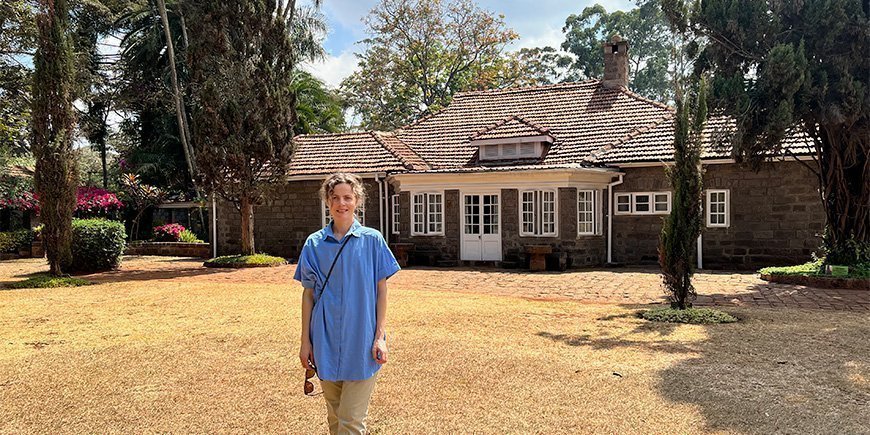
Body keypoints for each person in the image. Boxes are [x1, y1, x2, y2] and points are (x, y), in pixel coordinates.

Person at [295, 172, 400, 435]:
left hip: (361, 342)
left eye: (348, 198)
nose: (342, 203)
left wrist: (380, 337)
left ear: (357, 201)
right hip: (325, 341)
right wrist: (305, 342)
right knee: (335, 418)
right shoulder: (314, 244)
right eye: (335, 198)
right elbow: (308, 295)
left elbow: (381, 290)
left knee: (350, 421)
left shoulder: (372, 240)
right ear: (327, 202)